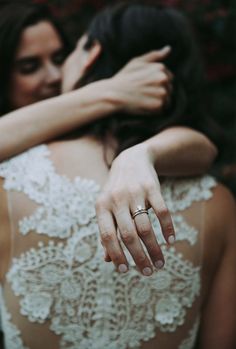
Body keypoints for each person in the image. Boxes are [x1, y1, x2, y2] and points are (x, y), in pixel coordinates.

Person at [0, 3, 235, 349]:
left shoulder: (10, 181)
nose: (55, 74)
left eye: (65, 55)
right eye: (29, 66)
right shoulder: (218, 203)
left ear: (92, 54)